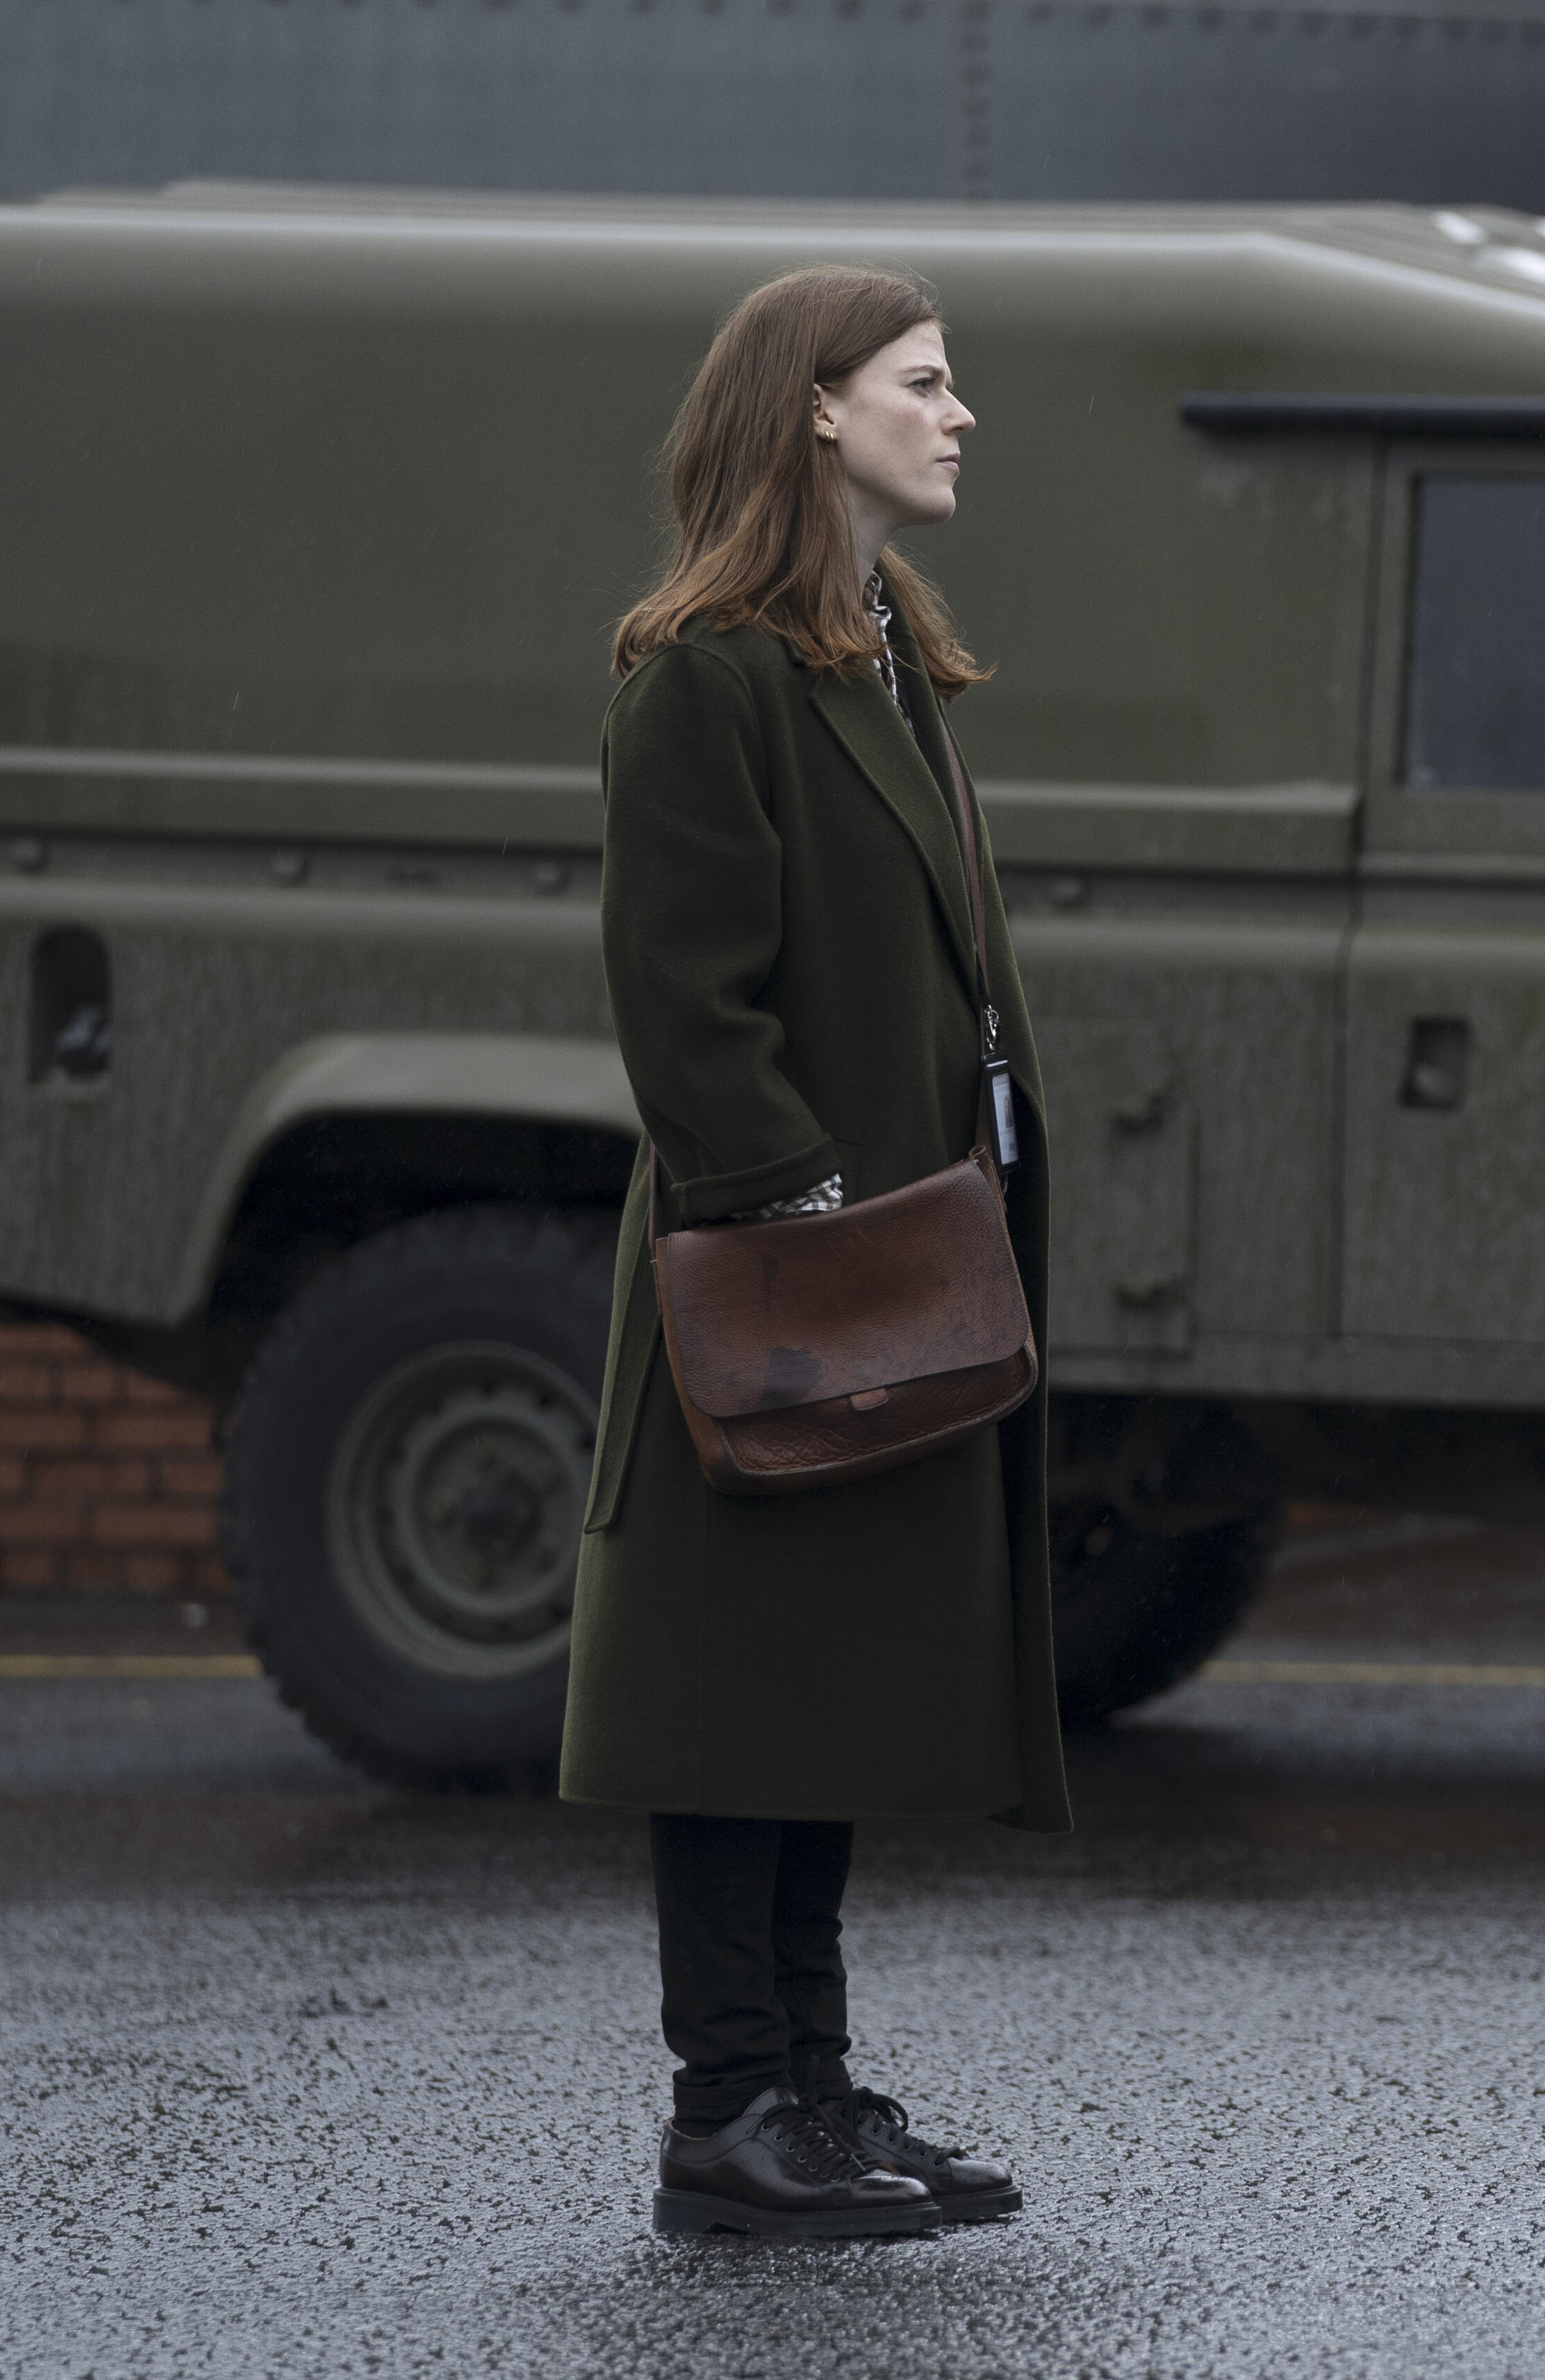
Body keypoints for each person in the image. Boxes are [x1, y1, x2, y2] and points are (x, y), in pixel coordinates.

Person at [559, 266, 1066, 2242]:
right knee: (733, 1698)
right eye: (924, 383)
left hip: (889, 1263)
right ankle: (726, 2114)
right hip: (779, 1282)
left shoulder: (881, 654)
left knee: (818, 1687)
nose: (961, 414)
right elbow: (686, 1006)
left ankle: (815, 2094)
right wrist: (807, 1224)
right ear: (817, 410)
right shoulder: (707, 675)